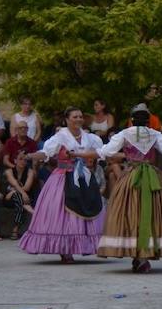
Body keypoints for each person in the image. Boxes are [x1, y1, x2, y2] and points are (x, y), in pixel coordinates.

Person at [97, 105, 162, 271]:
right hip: (151, 176)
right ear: (148, 121)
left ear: (132, 120)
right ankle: (143, 255)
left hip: (131, 175)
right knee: (150, 214)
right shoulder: (155, 134)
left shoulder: (124, 134)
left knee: (129, 213)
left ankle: (139, 256)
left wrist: (86, 153)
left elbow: (107, 151)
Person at [19, 108, 105, 263]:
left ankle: (88, 245)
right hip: (63, 177)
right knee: (63, 213)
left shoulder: (89, 137)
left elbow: (102, 152)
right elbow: (45, 153)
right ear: (67, 119)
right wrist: (30, 155)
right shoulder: (60, 137)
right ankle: (65, 250)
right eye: (75, 117)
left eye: (80, 116)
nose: (78, 119)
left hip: (83, 177)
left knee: (86, 208)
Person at [3, 149, 38, 238]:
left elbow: (27, 187)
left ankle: (15, 228)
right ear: (15, 160)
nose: (23, 161)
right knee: (19, 196)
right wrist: (22, 193)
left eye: (25, 160)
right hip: (9, 199)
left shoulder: (30, 172)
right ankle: (32, 212)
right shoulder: (9, 171)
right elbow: (14, 183)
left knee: (18, 199)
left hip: (21, 198)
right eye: (20, 159)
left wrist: (15, 191)